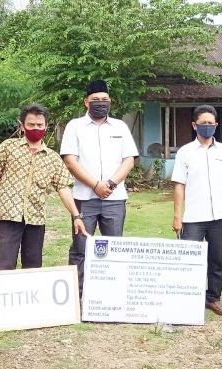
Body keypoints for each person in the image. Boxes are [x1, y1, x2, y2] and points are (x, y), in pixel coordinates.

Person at [0, 103, 88, 328]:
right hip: (9, 215)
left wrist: (76, 216)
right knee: (5, 264)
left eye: (40, 125)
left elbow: (63, 188)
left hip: (35, 218)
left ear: (46, 127)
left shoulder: (51, 157)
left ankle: (27, 313)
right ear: (22, 126)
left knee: (33, 265)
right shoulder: (9, 147)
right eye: (31, 124)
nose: (35, 128)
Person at [60, 79, 138, 293]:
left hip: (114, 200)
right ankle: (77, 294)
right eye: (95, 100)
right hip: (85, 199)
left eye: (104, 100)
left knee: (114, 248)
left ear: (110, 102)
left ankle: (110, 294)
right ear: (86, 102)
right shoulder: (75, 127)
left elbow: (129, 160)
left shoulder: (120, 127)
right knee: (80, 248)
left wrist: (110, 184)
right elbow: (70, 160)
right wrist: (95, 184)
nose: (100, 103)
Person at [171, 105, 222, 317]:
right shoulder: (185, 152)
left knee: (216, 259)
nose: (207, 126)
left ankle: (213, 298)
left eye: (210, 123)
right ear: (194, 125)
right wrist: (177, 215)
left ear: (216, 125)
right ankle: (188, 298)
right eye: (202, 123)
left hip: (219, 216)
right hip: (193, 217)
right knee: (188, 260)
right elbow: (179, 185)